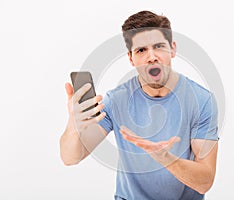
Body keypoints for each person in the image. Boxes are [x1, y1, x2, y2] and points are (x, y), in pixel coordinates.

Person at [60, 10, 219, 200]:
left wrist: (164, 158)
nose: (151, 57)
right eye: (141, 50)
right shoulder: (116, 100)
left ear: (173, 49)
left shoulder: (201, 100)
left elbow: (205, 182)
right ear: (130, 58)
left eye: (159, 46)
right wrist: (73, 124)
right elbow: (70, 158)